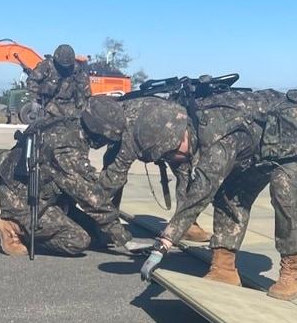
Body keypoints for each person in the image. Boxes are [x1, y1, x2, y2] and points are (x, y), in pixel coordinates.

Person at [98, 91, 297, 300]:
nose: (174, 162)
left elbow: (200, 191)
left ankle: (293, 271)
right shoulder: (195, 123)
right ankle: (224, 266)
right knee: (230, 192)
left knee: (283, 184)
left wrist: (164, 244)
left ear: (180, 140)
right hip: (267, 150)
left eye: (172, 156)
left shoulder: (217, 139)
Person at [0, 113, 133, 257]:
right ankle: (12, 225)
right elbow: (90, 197)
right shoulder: (66, 149)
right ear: (98, 131)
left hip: (42, 194)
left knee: (98, 234)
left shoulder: (68, 124)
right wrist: (123, 237)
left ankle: (34, 222)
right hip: (25, 201)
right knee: (77, 241)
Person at [79, 96, 212, 241]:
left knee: (185, 175)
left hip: (168, 129)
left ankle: (186, 225)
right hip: (142, 130)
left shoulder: (176, 127)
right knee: (113, 176)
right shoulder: (126, 130)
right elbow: (113, 178)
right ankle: (102, 220)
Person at [26, 43, 91, 122]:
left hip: (71, 108)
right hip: (49, 107)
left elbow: (85, 89)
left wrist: (83, 106)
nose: (65, 69)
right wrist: (36, 100)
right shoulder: (47, 65)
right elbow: (32, 81)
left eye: (68, 66)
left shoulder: (77, 69)